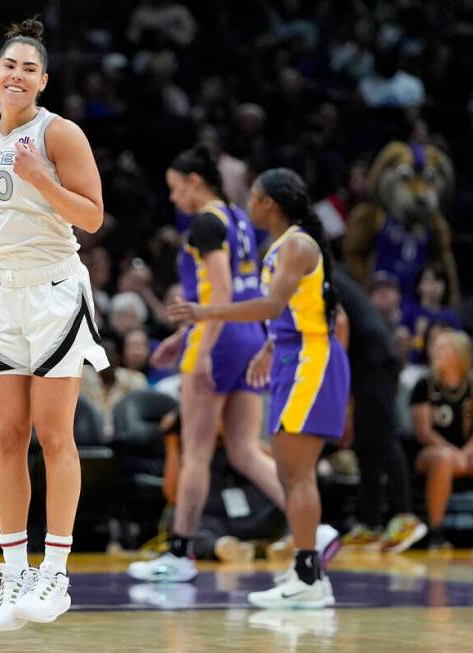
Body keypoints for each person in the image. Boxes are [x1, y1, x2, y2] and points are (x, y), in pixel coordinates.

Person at [0, 17, 108, 631]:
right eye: (10, 66)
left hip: (54, 290)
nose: (17, 75)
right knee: (7, 437)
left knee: (55, 434)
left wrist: (40, 179)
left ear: (43, 81)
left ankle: (56, 572)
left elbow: (92, 217)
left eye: (29, 69)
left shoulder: (62, 135)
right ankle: (14, 573)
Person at [170, 168, 350, 609]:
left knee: (296, 470)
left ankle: (309, 575)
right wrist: (270, 345)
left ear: (270, 203)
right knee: (286, 469)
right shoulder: (280, 247)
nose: (247, 205)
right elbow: (290, 310)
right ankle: (307, 571)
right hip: (289, 355)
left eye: (253, 197)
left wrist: (205, 312)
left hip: (312, 359)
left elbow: (272, 305)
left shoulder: (298, 246)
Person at [128, 146, 294, 584]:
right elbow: (235, 291)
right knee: (243, 450)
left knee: (197, 453)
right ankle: (316, 526)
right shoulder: (239, 218)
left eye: (176, 187)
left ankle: (180, 553)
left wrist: (198, 350)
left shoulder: (204, 221)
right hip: (247, 334)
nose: (173, 197)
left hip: (218, 341)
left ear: (196, 181)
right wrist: (181, 336)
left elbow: (219, 292)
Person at [332, 267, 426, 553]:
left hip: (376, 359)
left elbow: (339, 323)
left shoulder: (317, 270)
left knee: (384, 437)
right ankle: (369, 522)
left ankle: (405, 516)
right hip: (365, 361)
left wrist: (337, 377)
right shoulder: (325, 268)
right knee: (366, 442)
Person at [410, 329, 473, 549]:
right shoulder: (424, 384)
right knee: (443, 458)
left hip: (466, 454)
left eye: (443, 347)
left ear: (458, 353)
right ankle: (436, 532)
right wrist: (453, 453)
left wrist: (464, 454)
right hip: (430, 453)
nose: (435, 351)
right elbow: (423, 432)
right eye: (435, 347)